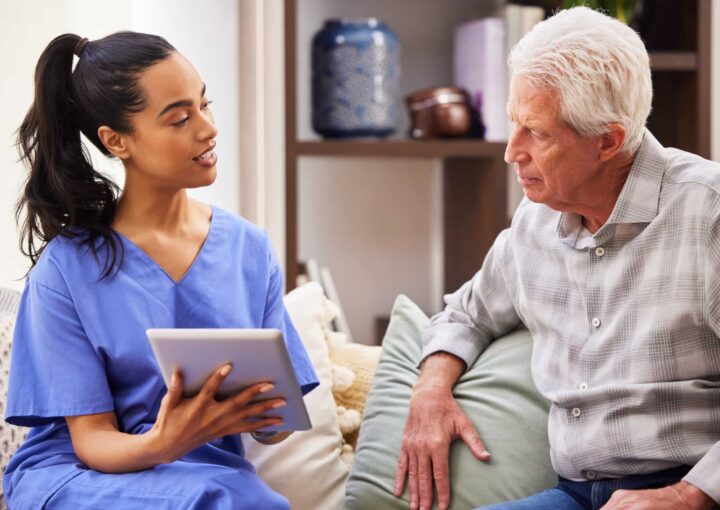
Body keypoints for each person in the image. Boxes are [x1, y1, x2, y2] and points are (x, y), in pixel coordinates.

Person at [394, 7, 719, 510]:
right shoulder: (535, 221)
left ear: (607, 140)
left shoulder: (707, 212)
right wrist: (430, 390)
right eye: (514, 124)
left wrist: (692, 494)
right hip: (572, 495)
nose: (511, 152)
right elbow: (465, 313)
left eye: (538, 133)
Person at [4, 32, 318, 509]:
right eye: (179, 118)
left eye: (205, 104)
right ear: (116, 140)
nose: (208, 128)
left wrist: (262, 413)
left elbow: (274, 426)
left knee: (242, 499)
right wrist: (164, 442)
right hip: (77, 475)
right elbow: (91, 441)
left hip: (204, 476)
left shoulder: (248, 250)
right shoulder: (66, 268)